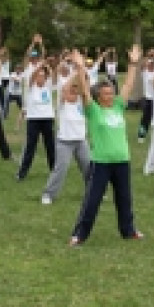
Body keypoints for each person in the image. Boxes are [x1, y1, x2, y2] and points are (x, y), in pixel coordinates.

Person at [69, 46, 144, 246]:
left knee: (124, 200)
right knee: (92, 201)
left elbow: (128, 85)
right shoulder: (93, 111)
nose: (110, 96)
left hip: (122, 161)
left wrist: (133, 64)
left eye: (111, 93)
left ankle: (128, 231)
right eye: (106, 94)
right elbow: (84, 92)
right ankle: (80, 234)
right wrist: (79, 68)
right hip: (101, 162)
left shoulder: (119, 106)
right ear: (98, 96)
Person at [41, 64, 91, 204]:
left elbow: (86, 87)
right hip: (65, 142)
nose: (73, 94)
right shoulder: (62, 103)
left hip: (81, 141)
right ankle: (49, 194)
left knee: (88, 167)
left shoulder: (82, 102)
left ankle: (93, 191)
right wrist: (74, 75)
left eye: (76, 91)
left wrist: (81, 71)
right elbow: (64, 88)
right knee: (60, 169)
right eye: (71, 91)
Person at [16, 59, 55, 181]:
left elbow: (53, 74)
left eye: (43, 77)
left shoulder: (48, 86)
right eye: (39, 76)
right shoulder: (31, 87)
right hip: (34, 120)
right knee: (30, 147)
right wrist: (40, 66)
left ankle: (54, 171)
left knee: (50, 146)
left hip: (47, 119)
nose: (41, 78)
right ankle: (22, 173)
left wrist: (47, 65)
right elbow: (32, 76)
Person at [138, 57, 154, 142]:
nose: (152, 66)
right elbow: (142, 65)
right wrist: (148, 56)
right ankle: (141, 136)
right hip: (147, 99)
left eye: (153, 64)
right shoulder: (145, 73)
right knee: (145, 119)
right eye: (150, 64)